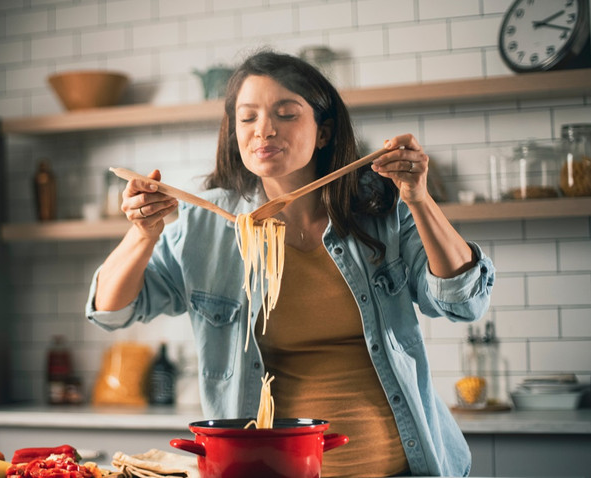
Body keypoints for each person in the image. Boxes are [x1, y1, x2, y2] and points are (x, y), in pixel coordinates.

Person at [85, 50, 494, 477]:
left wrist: (418, 198)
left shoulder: (381, 206)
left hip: (408, 466)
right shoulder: (207, 222)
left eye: (286, 113)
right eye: (248, 118)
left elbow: (463, 302)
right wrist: (142, 234)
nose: (264, 129)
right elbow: (112, 311)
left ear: (323, 132)